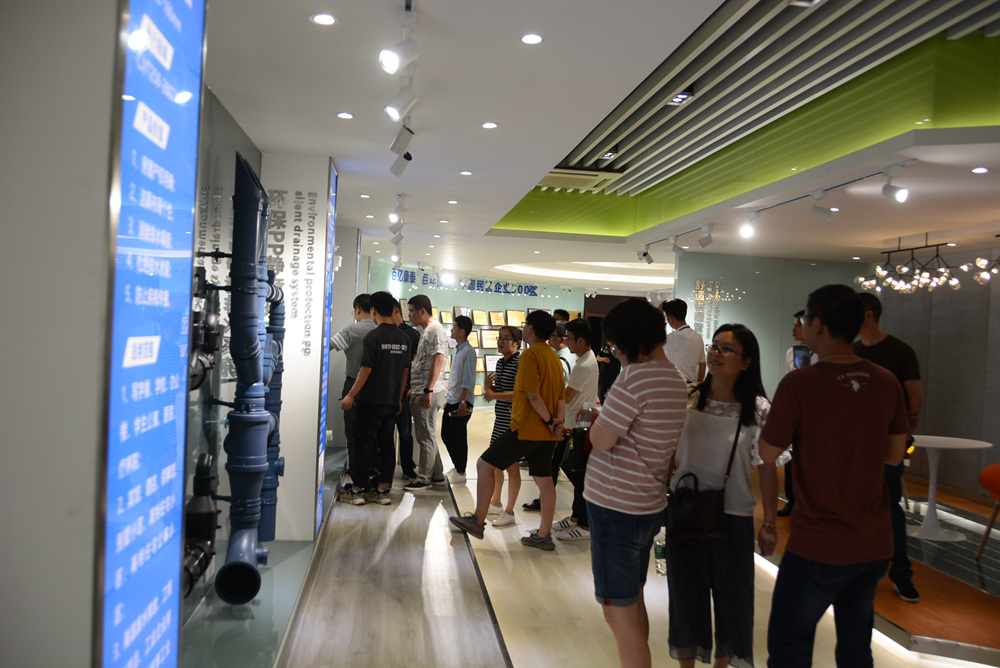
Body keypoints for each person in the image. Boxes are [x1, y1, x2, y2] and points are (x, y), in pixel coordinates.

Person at [760, 284, 908, 668]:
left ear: (819, 324)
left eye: (805, 318)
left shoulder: (800, 383)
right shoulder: (886, 381)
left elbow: (768, 452)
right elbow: (895, 455)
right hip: (873, 543)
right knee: (856, 650)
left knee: (789, 649)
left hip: (818, 542)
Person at [666, 324, 779, 668]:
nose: (715, 353)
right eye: (714, 346)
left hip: (734, 517)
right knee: (686, 599)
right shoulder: (688, 397)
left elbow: (769, 468)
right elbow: (668, 452)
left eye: (726, 349)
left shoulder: (758, 409)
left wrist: (770, 523)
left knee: (733, 602)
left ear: (746, 362)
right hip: (686, 511)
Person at [584, 298, 688, 668]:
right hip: (647, 503)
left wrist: (599, 420)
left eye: (615, 344)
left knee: (617, 611)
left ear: (631, 340)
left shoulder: (635, 378)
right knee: (632, 598)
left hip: (615, 505)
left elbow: (601, 439)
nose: (614, 352)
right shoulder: (675, 378)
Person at [449, 310, 566, 551]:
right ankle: (543, 534)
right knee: (545, 481)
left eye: (525, 325)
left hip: (527, 428)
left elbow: (532, 395)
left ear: (531, 329)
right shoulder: (554, 357)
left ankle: (478, 520)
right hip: (545, 432)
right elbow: (561, 397)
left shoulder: (530, 355)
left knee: (484, 465)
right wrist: (557, 423)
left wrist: (548, 421)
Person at [854, 291, 924, 603]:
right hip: (855, 444)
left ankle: (901, 573)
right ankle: (861, 566)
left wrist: (901, 433)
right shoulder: (853, 351)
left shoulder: (899, 351)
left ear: (868, 315)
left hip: (885, 445)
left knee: (889, 506)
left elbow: (914, 397)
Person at [339, 292, 411, 506]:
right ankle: (383, 490)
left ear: (374, 311)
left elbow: (366, 370)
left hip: (370, 401)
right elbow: (404, 373)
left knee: (363, 444)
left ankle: (358, 491)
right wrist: (399, 399)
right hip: (391, 402)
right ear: (394, 310)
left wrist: (351, 394)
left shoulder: (374, 337)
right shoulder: (404, 338)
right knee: (387, 444)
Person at [551, 318, 599, 541]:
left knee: (577, 474)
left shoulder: (585, 364)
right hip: (577, 424)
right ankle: (576, 517)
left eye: (569, 338)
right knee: (574, 471)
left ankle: (586, 524)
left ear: (580, 340)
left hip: (579, 427)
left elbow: (567, 396)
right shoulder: (584, 360)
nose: (566, 342)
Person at [522, 319, 575, 512]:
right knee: (551, 468)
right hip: (558, 419)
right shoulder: (564, 356)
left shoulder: (557, 359)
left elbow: (555, 394)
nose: (550, 340)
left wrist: (552, 421)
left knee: (549, 468)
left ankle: (545, 506)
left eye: (553, 336)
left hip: (551, 421)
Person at [403, 295, 450, 491]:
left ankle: (424, 478)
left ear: (423, 311)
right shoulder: (427, 331)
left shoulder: (435, 330)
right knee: (427, 435)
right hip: (422, 388)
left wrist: (428, 389)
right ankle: (437, 475)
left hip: (429, 390)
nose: (409, 315)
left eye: (412, 311)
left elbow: (438, 359)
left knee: (425, 438)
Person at [330, 294, 376, 488]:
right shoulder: (381, 329)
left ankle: (357, 477)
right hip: (377, 388)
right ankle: (373, 473)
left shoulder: (352, 329)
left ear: (357, 309)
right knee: (373, 433)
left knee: (353, 432)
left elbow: (327, 347)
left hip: (353, 386)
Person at [777, 310, 818, 518]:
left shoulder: (822, 353)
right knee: (792, 459)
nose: (793, 329)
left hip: (817, 415)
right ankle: (792, 501)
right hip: (797, 412)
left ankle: (809, 502)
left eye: (797, 325)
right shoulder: (791, 353)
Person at [484, 326, 522, 525]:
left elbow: (520, 394)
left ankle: (509, 511)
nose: (500, 341)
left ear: (517, 343)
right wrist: (489, 387)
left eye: (506, 338)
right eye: (499, 337)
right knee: (496, 463)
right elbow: (498, 391)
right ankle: (496, 501)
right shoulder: (500, 362)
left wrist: (494, 394)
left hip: (513, 421)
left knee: (512, 467)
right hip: (500, 419)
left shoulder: (520, 363)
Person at [442, 315, 477, 484]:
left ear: (462, 331)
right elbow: (455, 377)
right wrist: (449, 399)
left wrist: (463, 401)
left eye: (454, 327)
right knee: (446, 434)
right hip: (453, 400)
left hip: (462, 402)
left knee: (458, 437)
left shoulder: (469, 351)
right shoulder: (457, 350)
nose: (452, 329)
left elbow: (468, 379)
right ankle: (457, 467)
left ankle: (461, 472)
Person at [392, 300, 421, 482]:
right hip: (387, 390)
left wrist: (412, 387)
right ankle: (384, 469)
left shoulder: (412, 334)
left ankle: (408, 468)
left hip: (405, 391)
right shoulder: (384, 333)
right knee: (385, 433)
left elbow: (415, 365)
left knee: (405, 434)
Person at [661, 298, 707, 384]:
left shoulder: (675, 337)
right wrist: (698, 386)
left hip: (674, 384)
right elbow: (702, 364)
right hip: (689, 384)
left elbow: (653, 341)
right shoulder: (697, 336)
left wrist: (658, 313)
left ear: (671, 318)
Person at [596, 340, 621, 404]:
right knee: (600, 393)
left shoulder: (618, 348)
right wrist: (603, 359)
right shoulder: (605, 348)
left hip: (614, 376)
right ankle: (604, 405)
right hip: (604, 375)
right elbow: (598, 357)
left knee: (614, 395)